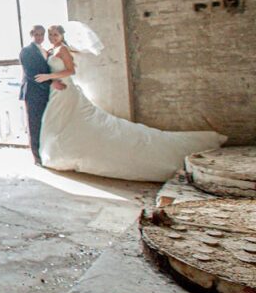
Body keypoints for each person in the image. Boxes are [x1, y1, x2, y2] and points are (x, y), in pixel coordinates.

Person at [35, 24, 226, 181]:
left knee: (85, 126)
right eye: (50, 34)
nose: (52, 37)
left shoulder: (64, 50)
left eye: (55, 34)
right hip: (57, 91)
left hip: (66, 90)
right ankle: (59, 153)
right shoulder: (53, 50)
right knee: (57, 123)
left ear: (62, 35)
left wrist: (49, 76)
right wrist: (51, 79)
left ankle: (187, 148)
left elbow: (70, 72)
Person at [19, 25, 64, 164]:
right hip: (32, 93)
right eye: (36, 34)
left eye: (41, 35)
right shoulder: (26, 51)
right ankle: (37, 157)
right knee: (34, 125)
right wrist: (51, 82)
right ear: (31, 34)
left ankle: (46, 153)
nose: (39, 37)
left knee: (46, 124)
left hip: (45, 93)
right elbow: (31, 74)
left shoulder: (45, 51)